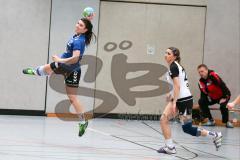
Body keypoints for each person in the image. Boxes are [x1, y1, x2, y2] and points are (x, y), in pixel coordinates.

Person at [22, 18, 95, 137]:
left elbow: (76, 58)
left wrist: (60, 60)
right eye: (77, 23)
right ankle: (83, 122)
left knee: (72, 98)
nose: (77, 25)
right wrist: (87, 18)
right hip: (70, 68)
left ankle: (83, 122)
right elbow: (85, 26)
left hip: (70, 68)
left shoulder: (79, 41)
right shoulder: (78, 36)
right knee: (51, 70)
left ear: (85, 29)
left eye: (80, 25)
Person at [157, 47, 222, 154]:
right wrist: (170, 96)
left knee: (187, 128)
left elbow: (177, 86)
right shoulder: (174, 66)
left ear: (175, 56)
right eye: (165, 53)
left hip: (184, 101)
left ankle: (215, 135)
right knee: (164, 120)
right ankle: (170, 147)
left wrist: (174, 103)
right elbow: (176, 85)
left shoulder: (174, 66)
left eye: (168, 53)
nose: (165, 55)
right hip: (180, 99)